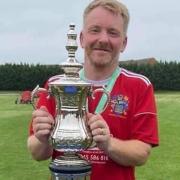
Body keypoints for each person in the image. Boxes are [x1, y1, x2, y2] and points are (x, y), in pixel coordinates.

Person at [27, 0, 159, 180]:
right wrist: (42, 138)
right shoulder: (56, 84)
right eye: (95, 30)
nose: (103, 39)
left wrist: (108, 144)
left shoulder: (140, 85)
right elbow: (37, 152)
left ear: (124, 42)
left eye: (113, 32)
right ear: (82, 38)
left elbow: (142, 153)